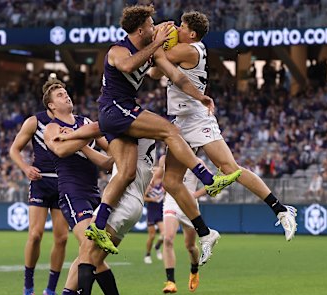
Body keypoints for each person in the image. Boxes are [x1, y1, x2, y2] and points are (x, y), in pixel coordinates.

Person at [55, 5, 241, 265]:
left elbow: (176, 75)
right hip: (115, 109)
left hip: (122, 114)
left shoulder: (151, 49)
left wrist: (201, 96)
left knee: (127, 172)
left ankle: (98, 224)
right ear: (141, 29)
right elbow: (130, 64)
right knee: (170, 130)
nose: (155, 28)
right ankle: (207, 178)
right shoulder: (119, 49)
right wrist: (157, 44)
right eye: (151, 25)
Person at [146, 11, 297, 246]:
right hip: (180, 121)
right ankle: (205, 233)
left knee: (229, 168)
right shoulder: (184, 48)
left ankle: (280, 209)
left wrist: (157, 35)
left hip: (197, 118)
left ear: (192, 33)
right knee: (171, 182)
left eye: (182, 27)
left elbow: (158, 60)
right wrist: (161, 41)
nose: (178, 28)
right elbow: (156, 72)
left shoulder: (190, 49)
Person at [38, 79, 119, 295]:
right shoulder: (51, 127)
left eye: (66, 93)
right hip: (72, 193)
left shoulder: (85, 124)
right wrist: (83, 139)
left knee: (93, 254)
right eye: (60, 96)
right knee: (89, 247)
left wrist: (80, 140)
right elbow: (59, 151)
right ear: (51, 106)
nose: (67, 97)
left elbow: (110, 161)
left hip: (96, 194)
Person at [50, 140, 157, 295]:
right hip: (135, 204)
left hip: (121, 200)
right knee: (96, 259)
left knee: (87, 252)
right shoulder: (147, 133)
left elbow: (95, 131)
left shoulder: (127, 124)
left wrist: (76, 136)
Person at [9, 106, 69, 295]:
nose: (66, 97)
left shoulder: (72, 121)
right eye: (60, 94)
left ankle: (51, 290)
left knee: (61, 238)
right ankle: (28, 286)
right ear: (50, 102)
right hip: (41, 182)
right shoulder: (35, 121)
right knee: (35, 235)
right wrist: (26, 168)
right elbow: (14, 149)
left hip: (63, 182)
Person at [157, 155, 203, 294]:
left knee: (190, 246)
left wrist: (193, 196)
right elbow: (157, 177)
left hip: (189, 205)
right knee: (168, 238)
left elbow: (211, 183)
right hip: (171, 201)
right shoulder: (165, 159)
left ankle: (194, 269)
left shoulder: (197, 162)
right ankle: (171, 282)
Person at [143, 163, 165, 264]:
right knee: (152, 236)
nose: (156, 172)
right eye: (154, 170)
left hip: (160, 211)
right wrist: (152, 199)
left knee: (165, 235)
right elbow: (143, 197)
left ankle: (157, 247)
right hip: (151, 212)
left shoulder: (163, 183)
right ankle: (147, 254)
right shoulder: (149, 185)